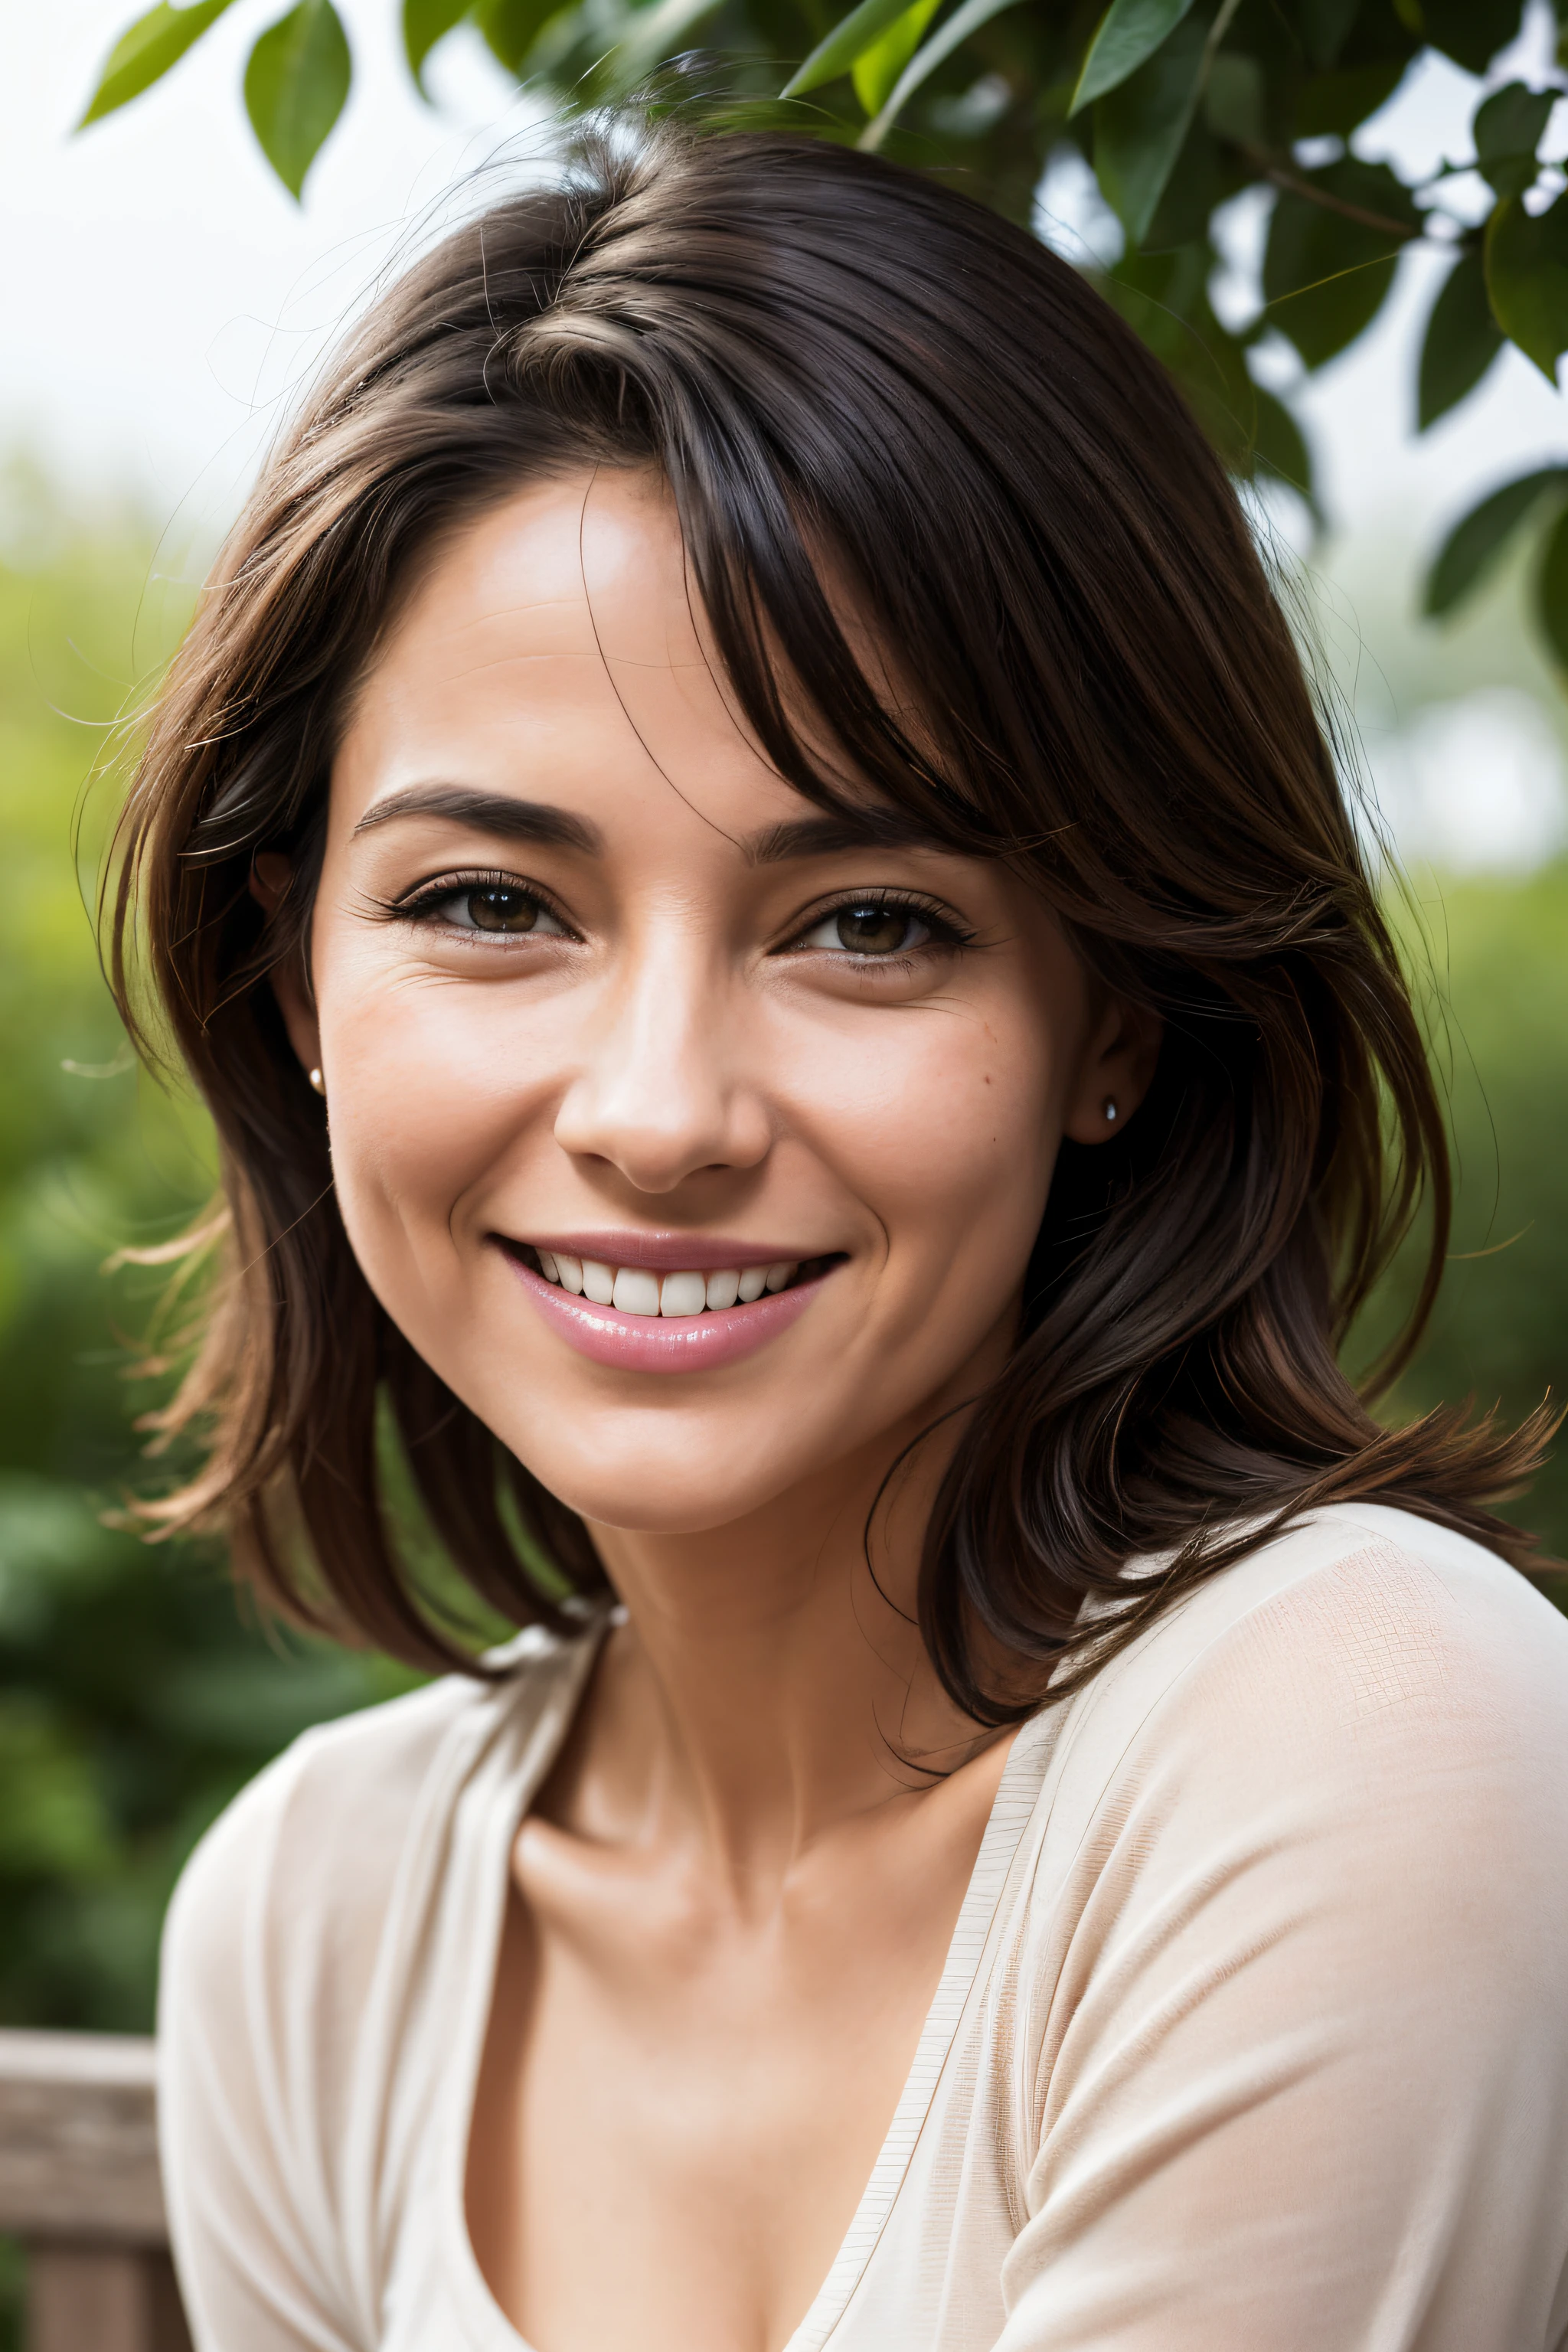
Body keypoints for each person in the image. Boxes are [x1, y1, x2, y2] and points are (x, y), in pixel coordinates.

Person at [113, 122, 1568, 2352]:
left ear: (1119, 1019)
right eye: (491, 904)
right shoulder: (319, 1926)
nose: (662, 1115)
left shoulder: (1368, 1737)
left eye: (869, 925)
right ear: (298, 979)